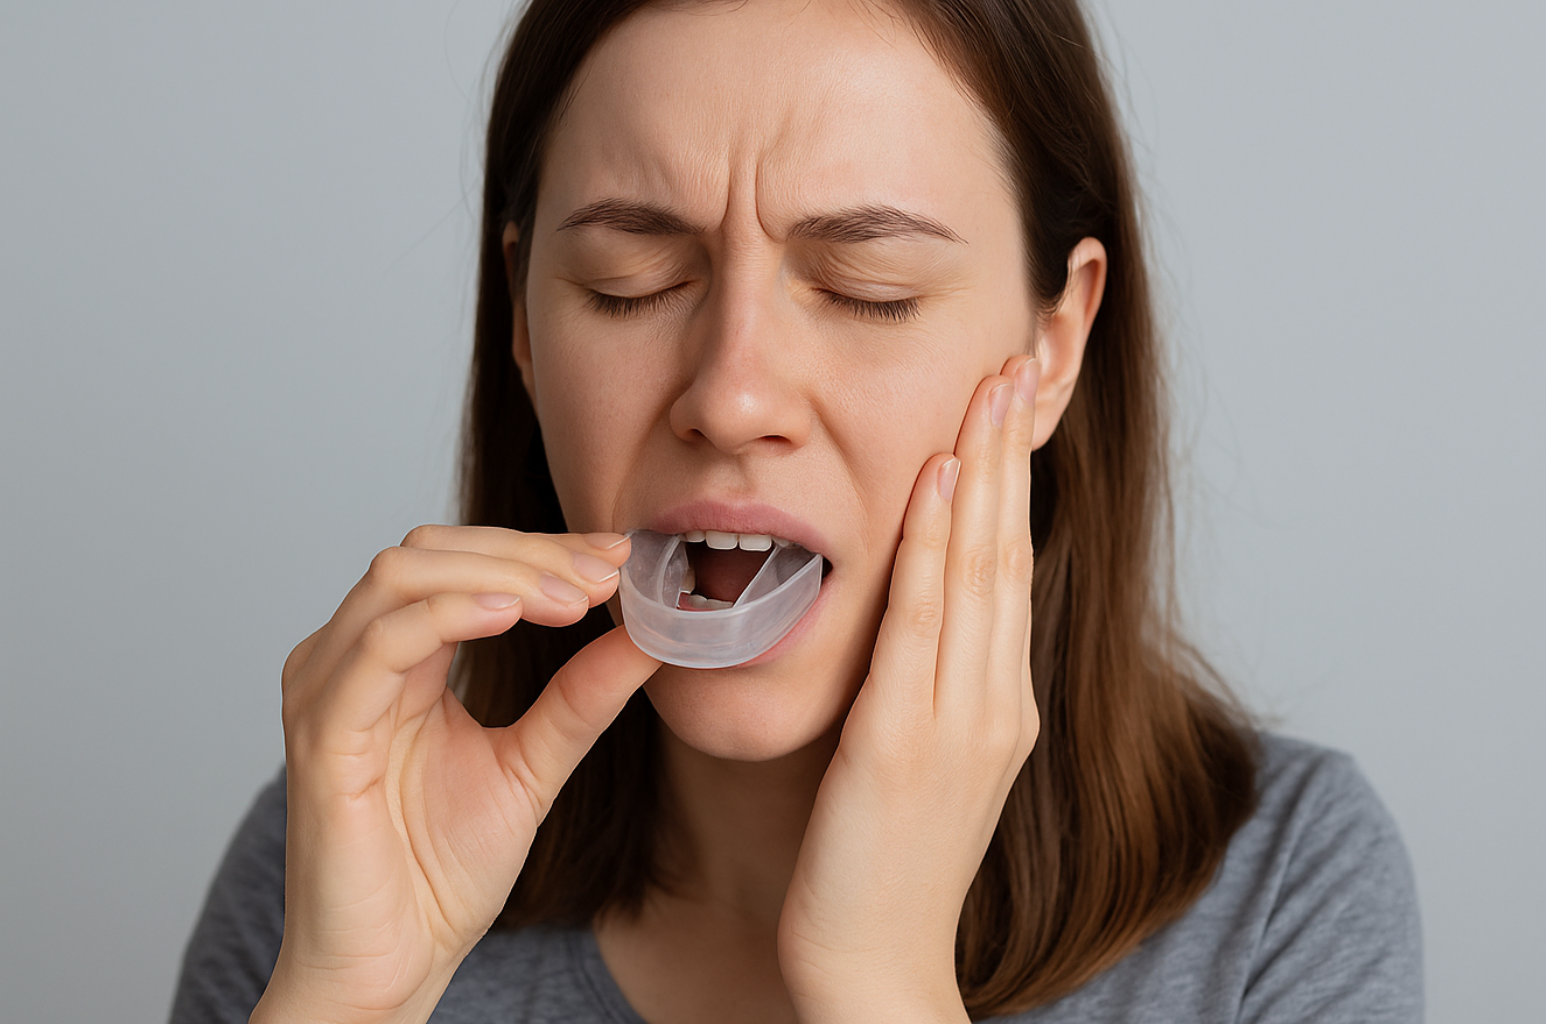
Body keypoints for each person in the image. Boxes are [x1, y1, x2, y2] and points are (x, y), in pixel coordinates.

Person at [171, 1, 1422, 1021]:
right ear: (521, 316)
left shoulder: (1281, 893)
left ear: (1052, 341)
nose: (730, 394)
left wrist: (877, 984)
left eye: (866, 288)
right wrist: (346, 997)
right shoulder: (340, 846)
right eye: (629, 282)